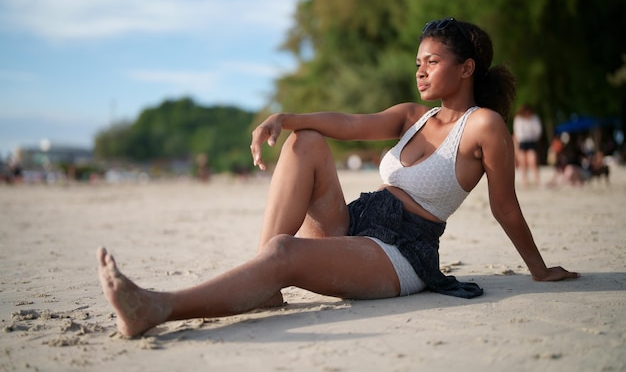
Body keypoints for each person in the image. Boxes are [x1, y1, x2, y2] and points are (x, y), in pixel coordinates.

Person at [97, 17, 579, 338]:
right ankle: (265, 288)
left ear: (467, 67)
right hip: (357, 221)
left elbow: (506, 207)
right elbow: (347, 124)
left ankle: (157, 308)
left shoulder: (484, 126)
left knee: (286, 251)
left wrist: (538, 269)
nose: (421, 71)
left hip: (402, 253)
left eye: (432, 61)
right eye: (418, 62)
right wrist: (284, 118)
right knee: (305, 140)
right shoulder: (413, 115)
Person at [513, 104, 542, 187]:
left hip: (531, 141)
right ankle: (525, 180)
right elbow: (518, 133)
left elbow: (538, 132)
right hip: (522, 142)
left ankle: (536, 179)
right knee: (523, 162)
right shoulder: (518, 119)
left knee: (533, 160)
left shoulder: (534, 118)